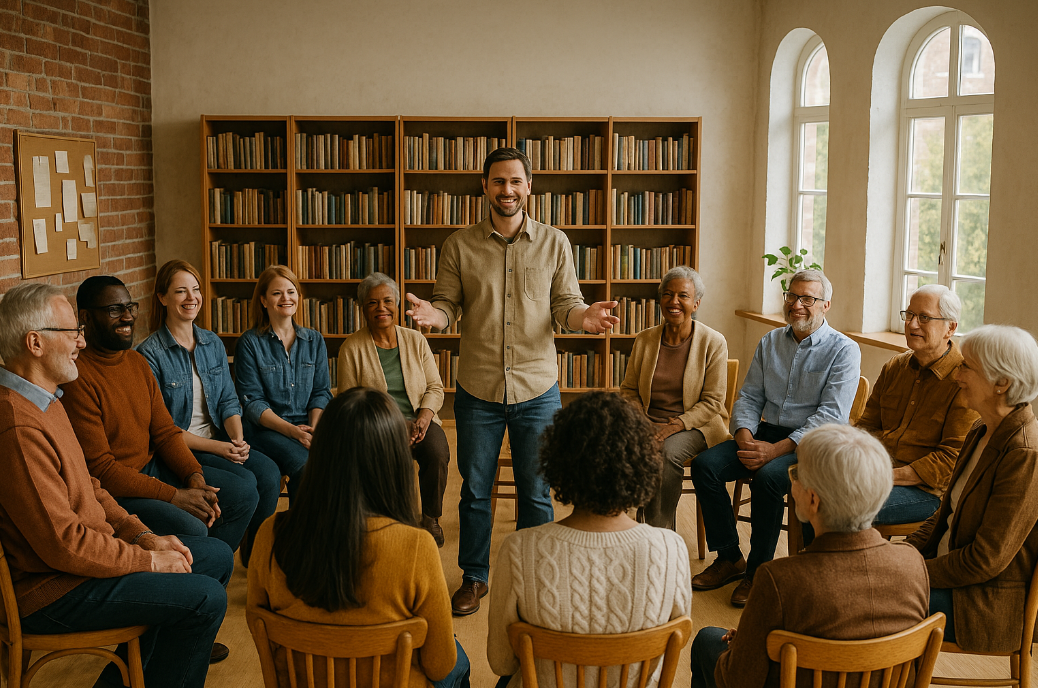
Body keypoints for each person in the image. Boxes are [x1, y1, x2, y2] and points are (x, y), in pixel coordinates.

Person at [405, 147, 619, 615]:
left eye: (515, 182)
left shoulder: (555, 242)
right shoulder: (458, 245)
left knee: (536, 491)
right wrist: (433, 317)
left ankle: (534, 579)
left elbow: (566, 304)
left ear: (528, 187)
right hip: (478, 390)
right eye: (498, 182)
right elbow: (447, 305)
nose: (507, 190)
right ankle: (475, 578)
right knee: (476, 491)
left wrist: (585, 318)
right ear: (484, 187)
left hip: (537, 389)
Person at [0, 282, 232, 688]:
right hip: (53, 591)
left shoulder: (47, 400)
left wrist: (144, 536)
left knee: (214, 556)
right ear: (35, 343)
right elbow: (64, 544)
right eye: (71, 332)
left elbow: (91, 487)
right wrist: (147, 560)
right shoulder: (18, 426)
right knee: (203, 597)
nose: (81, 342)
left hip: (80, 566)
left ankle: (125, 680)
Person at [247, 387, 470, 688]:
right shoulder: (417, 548)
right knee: (458, 660)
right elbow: (439, 665)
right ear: (395, 462)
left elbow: (258, 628)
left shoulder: (270, 534)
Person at [691, 424, 929, 688]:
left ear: (813, 499)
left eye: (795, 474)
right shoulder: (913, 562)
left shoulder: (778, 579)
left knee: (707, 640)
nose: (791, 481)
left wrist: (744, 647)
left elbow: (737, 680)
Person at [488, 391, 691, 688]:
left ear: (558, 463)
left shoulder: (519, 550)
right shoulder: (671, 549)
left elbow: (500, 661)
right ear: (642, 465)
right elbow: (672, 648)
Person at [689, 269, 860, 607]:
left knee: (767, 479)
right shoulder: (770, 342)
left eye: (807, 298)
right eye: (792, 296)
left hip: (813, 445)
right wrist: (744, 439)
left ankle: (758, 572)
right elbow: (749, 397)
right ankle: (729, 558)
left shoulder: (844, 350)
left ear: (826, 304)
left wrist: (773, 452)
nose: (797, 304)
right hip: (763, 434)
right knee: (706, 465)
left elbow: (830, 416)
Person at [62, 275, 259, 560]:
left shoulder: (137, 363)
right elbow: (103, 470)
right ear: (86, 317)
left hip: (154, 467)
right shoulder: (78, 378)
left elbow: (166, 432)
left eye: (130, 307)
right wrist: (174, 496)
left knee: (243, 492)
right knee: (193, 526)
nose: (127, 317)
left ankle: (207, 575)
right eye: (114, 310)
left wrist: (194, 477)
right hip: (119, 490)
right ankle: (193, 579)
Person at [138, 260, 282, 566]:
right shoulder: (149, 354)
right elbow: (163, 429)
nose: (191, 298)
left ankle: (255, 560)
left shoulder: (211, 342)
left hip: (220, 439)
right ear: (162, 297)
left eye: (196, 289)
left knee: (268, 475)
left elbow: (229, 400)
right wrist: (221, 448)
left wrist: (238, 440)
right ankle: (209, 562)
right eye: (180, 291)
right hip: (180, 451)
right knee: (245, 488)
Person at [906, 324, 1038, 652]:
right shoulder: (981, 428)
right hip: (948, 574)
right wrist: (903, 553)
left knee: (870, 600)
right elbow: (945, 515)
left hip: (981, 603)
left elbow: (985, 561)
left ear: (1002, 382)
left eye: (966, 367)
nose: (956, 375)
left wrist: (911, 572)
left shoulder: (1025, 452)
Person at [337, 271, 449, 546]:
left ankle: (431, 518)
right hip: (376, 427)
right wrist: (395, 425)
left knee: (436, 451)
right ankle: (386, 519)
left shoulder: (416, 340)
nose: (381, 308)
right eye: (372, 303)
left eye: (388, 301)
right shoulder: (351, 348)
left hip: (419, 419)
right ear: (363, 308)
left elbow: (435, 387)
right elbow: (350, 403)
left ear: (398, 306)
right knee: (381, 460)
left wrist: (424, 418)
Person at [854, 285, 978, 526]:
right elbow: (866, 426)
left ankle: (851, 564)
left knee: (843, 504)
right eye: (909, 315)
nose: (911, 324)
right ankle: (810, 562)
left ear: (950, 327)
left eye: (924, 317)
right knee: (813, 487)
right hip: (879, 472)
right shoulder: (894, 367)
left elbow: (952, 459)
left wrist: (885, 477)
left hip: (927, 492)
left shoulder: (964, 381)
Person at [619, 266, 729, 529]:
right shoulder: (645, 339)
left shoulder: (713, 342)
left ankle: (659, 532)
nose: (674, 302)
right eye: (667, 295)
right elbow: (629, 390)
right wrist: (643, 423)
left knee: (665, 452)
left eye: (683, 295)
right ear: (660, 300)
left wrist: (673, 426)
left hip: (696, 426)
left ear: (696, 303)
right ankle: (619, 529)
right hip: (648, 422)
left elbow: (713, 401)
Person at [234, 265, 332, 502]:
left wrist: (314, 429)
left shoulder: (314, 340)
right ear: (263, 300)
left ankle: (324, 532)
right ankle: (299, 535)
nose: (286, 298)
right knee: (308, 466)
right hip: (265, 430)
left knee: (340, 462)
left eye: (291, 291)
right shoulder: (249, 342)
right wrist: (294, 432)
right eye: (277, 293)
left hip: (306, 426)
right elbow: (253, 404)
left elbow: (321, 392)